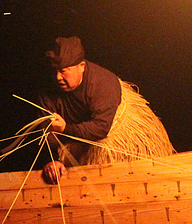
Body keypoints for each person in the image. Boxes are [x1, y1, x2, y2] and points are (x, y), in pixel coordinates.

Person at [37, 36, 174, 184]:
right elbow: (45, 129)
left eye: (64, 71)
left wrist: (65, 128)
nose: (58, 77)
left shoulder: (102, 84)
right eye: (54, 71)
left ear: (81, 66)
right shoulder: (47, 90)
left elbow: (101, 128)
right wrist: (51, 160)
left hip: (110, 136)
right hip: (75, 143)